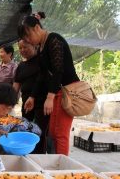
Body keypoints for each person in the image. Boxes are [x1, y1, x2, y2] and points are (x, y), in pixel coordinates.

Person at [18, 13, 80, 155]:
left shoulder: (54, 39)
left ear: (37, 28)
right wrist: (32, 97)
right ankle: (52, 162)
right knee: (52, 131)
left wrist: (50, 97)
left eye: (28, 36)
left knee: (60, 133)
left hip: (66, 92)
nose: (28, 40)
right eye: (24, 38)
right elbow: (42, 74)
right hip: (56, 91)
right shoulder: (41, 46)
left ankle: (61, 166)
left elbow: (59, 71)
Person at [13, 40, 49, 153]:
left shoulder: (42, 61)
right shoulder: (21, 66)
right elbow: (16, 86)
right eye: (20, 48)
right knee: (26, 130)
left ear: (34, 45)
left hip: (41, 104)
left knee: (40, 132)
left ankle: (39, 156)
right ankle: (28, 153)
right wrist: (9, 101)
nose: (23, 50)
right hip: (26, 104)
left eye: (25, 47)